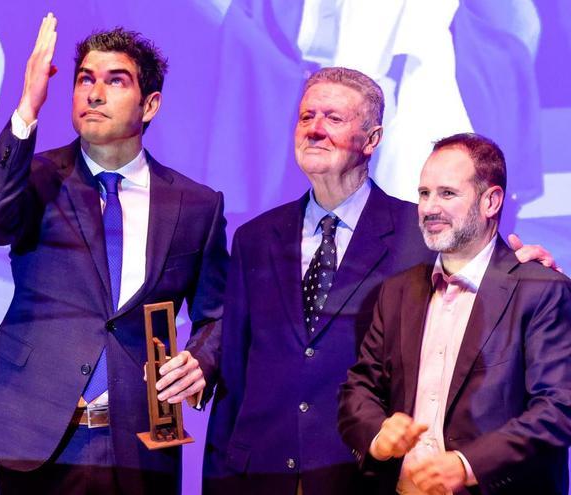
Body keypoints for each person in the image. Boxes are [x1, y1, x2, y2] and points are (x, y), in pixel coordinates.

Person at [203, 67, 556, 494]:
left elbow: (487, 279)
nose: (314, 129)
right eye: (306, 117)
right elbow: (237, 370)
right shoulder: (254, 238)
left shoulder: (424, 232)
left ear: (372, 139)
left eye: (333, 118)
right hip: (261, 472)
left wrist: (522, 271)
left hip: (363, 474)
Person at [0, 14, 228, 495]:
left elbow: (218, 314)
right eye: (84, 80)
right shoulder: (37, 177)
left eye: (115, 81)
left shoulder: (196, 204)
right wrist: (26, 110)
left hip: (141, 440)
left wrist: (201, 359)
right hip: (38, 439)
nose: (94, 93)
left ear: (150, 104)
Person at [338, 133, 571, 494]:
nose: (429, 207)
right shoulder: (397, 291)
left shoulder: (540, 289)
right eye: (424, 193)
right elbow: (360, 388)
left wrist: (467, 465)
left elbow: (558, 409)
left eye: (447, 193)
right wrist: (377, 434)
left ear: (491, 201)